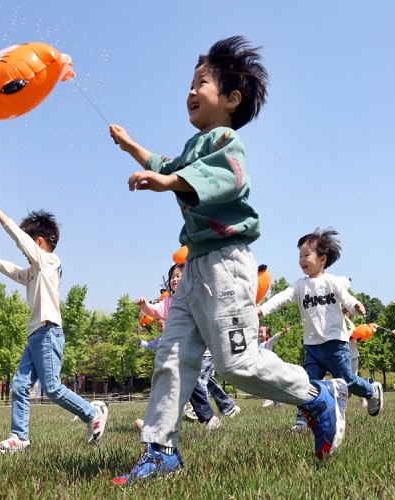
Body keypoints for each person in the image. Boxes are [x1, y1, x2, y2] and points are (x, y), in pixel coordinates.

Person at [108, 36, 348, 485]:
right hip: (195, 268)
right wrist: (131, 147)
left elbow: (218, 179)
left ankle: (317, 397)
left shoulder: (226, 141)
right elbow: (167, 163)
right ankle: (160, 450)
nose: (192, 90)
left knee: (238, 364)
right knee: (172, 358)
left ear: (232, 99)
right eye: (191, 83)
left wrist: (166, 180)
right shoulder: (193, 146)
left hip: (225, 265)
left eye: (202, 82)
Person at [0, 199, 108, 452]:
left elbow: (21, 241)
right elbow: (17, 272)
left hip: (48, 333)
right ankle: (19, 438)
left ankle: (92, 412)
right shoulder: (34, 270)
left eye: (28, 248)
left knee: (52, 388)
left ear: (38, 243)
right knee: (19, 385)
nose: (24, 254)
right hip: (35, 335)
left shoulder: (49, 262)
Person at [258, 228, 384, 433]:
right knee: (306, 384)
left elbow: (348, 299)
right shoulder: (299, 286)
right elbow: (280, 298)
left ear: (322, 259)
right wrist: (262, 310)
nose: (301, 260)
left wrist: (356, 307)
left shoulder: (332, 281)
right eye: (299, 256)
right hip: (312, 347)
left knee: (347, 381)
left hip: (335, 344)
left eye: (306, 255)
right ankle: (303, 421)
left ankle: (371, 391)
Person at [138, 263, 241, 420]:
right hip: (181, 352)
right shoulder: (168, 302)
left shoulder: (196, 297)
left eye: (179, 276)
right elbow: (153, 310)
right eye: (172, 277)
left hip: (204, 351)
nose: (175, 279)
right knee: (193, 379)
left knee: (196, 379)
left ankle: (200, 412)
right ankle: (225, 408)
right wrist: (144, 305)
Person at [258, 325, 290, 408]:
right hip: (261, 368)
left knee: (268, 383)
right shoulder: (256, 344)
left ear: (267, 335)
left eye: (262, 332)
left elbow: (276, 337)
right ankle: (278, 404)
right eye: (259, 332)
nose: (259, 334)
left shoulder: (268, 343)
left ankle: (269, 398)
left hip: (269, 368)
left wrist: (283, 332)